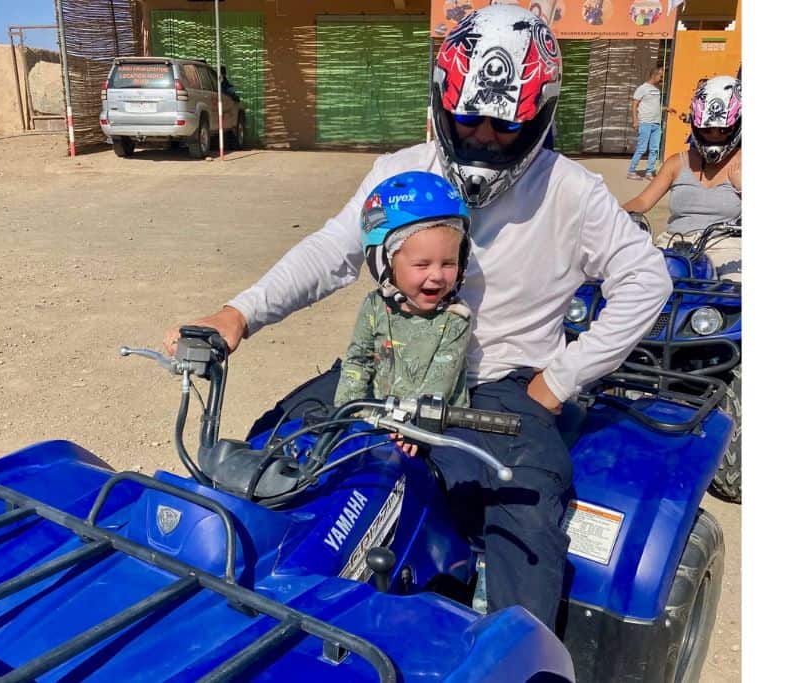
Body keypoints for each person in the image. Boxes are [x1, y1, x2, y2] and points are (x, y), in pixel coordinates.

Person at [165, 4, 671, 632]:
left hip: (499, 390)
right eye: (469, 118)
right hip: (387, 366)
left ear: (540, 116)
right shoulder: (401, 172)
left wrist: (559, 383)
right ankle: (220, 616)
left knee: (526, 508)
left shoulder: (572, 191)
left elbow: (646, 279)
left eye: (503, 125)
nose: (484, 137)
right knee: (274, 442)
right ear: (441, 102)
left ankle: (518, 660)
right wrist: (241, 311)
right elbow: (332, 250)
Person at [334, 172, 472, 457]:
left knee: (452, 485)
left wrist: (415, 425)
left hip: (438, 426)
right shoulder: (374, 307)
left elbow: (439, 382)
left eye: (449, 263)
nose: (437, 276)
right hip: (379, 420)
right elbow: (357, 361)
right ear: (384, 263)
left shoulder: (455, 318)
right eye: (422, 264)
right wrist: (347, 416)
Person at [623, 76, 742, 279]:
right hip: (673, 246)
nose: (714, 136)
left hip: (726, 248)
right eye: (706, 130)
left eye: (723, 130)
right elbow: (643, 201)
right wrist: (608, 215)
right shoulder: (676, 163)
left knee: (734, 297)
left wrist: (742, 187)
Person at [627, 66, 675, 181]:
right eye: (661, 76)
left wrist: (665, 108)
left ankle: (649, 172)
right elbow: (634, 105)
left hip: (656, 124)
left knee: (654, 149)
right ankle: (631, 171)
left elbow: (655, 106)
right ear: (654, 75)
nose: (662, 78)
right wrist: (635, 120)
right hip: (645, 123)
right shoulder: (642, 88)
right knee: (642, 148)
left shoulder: (657, 90)